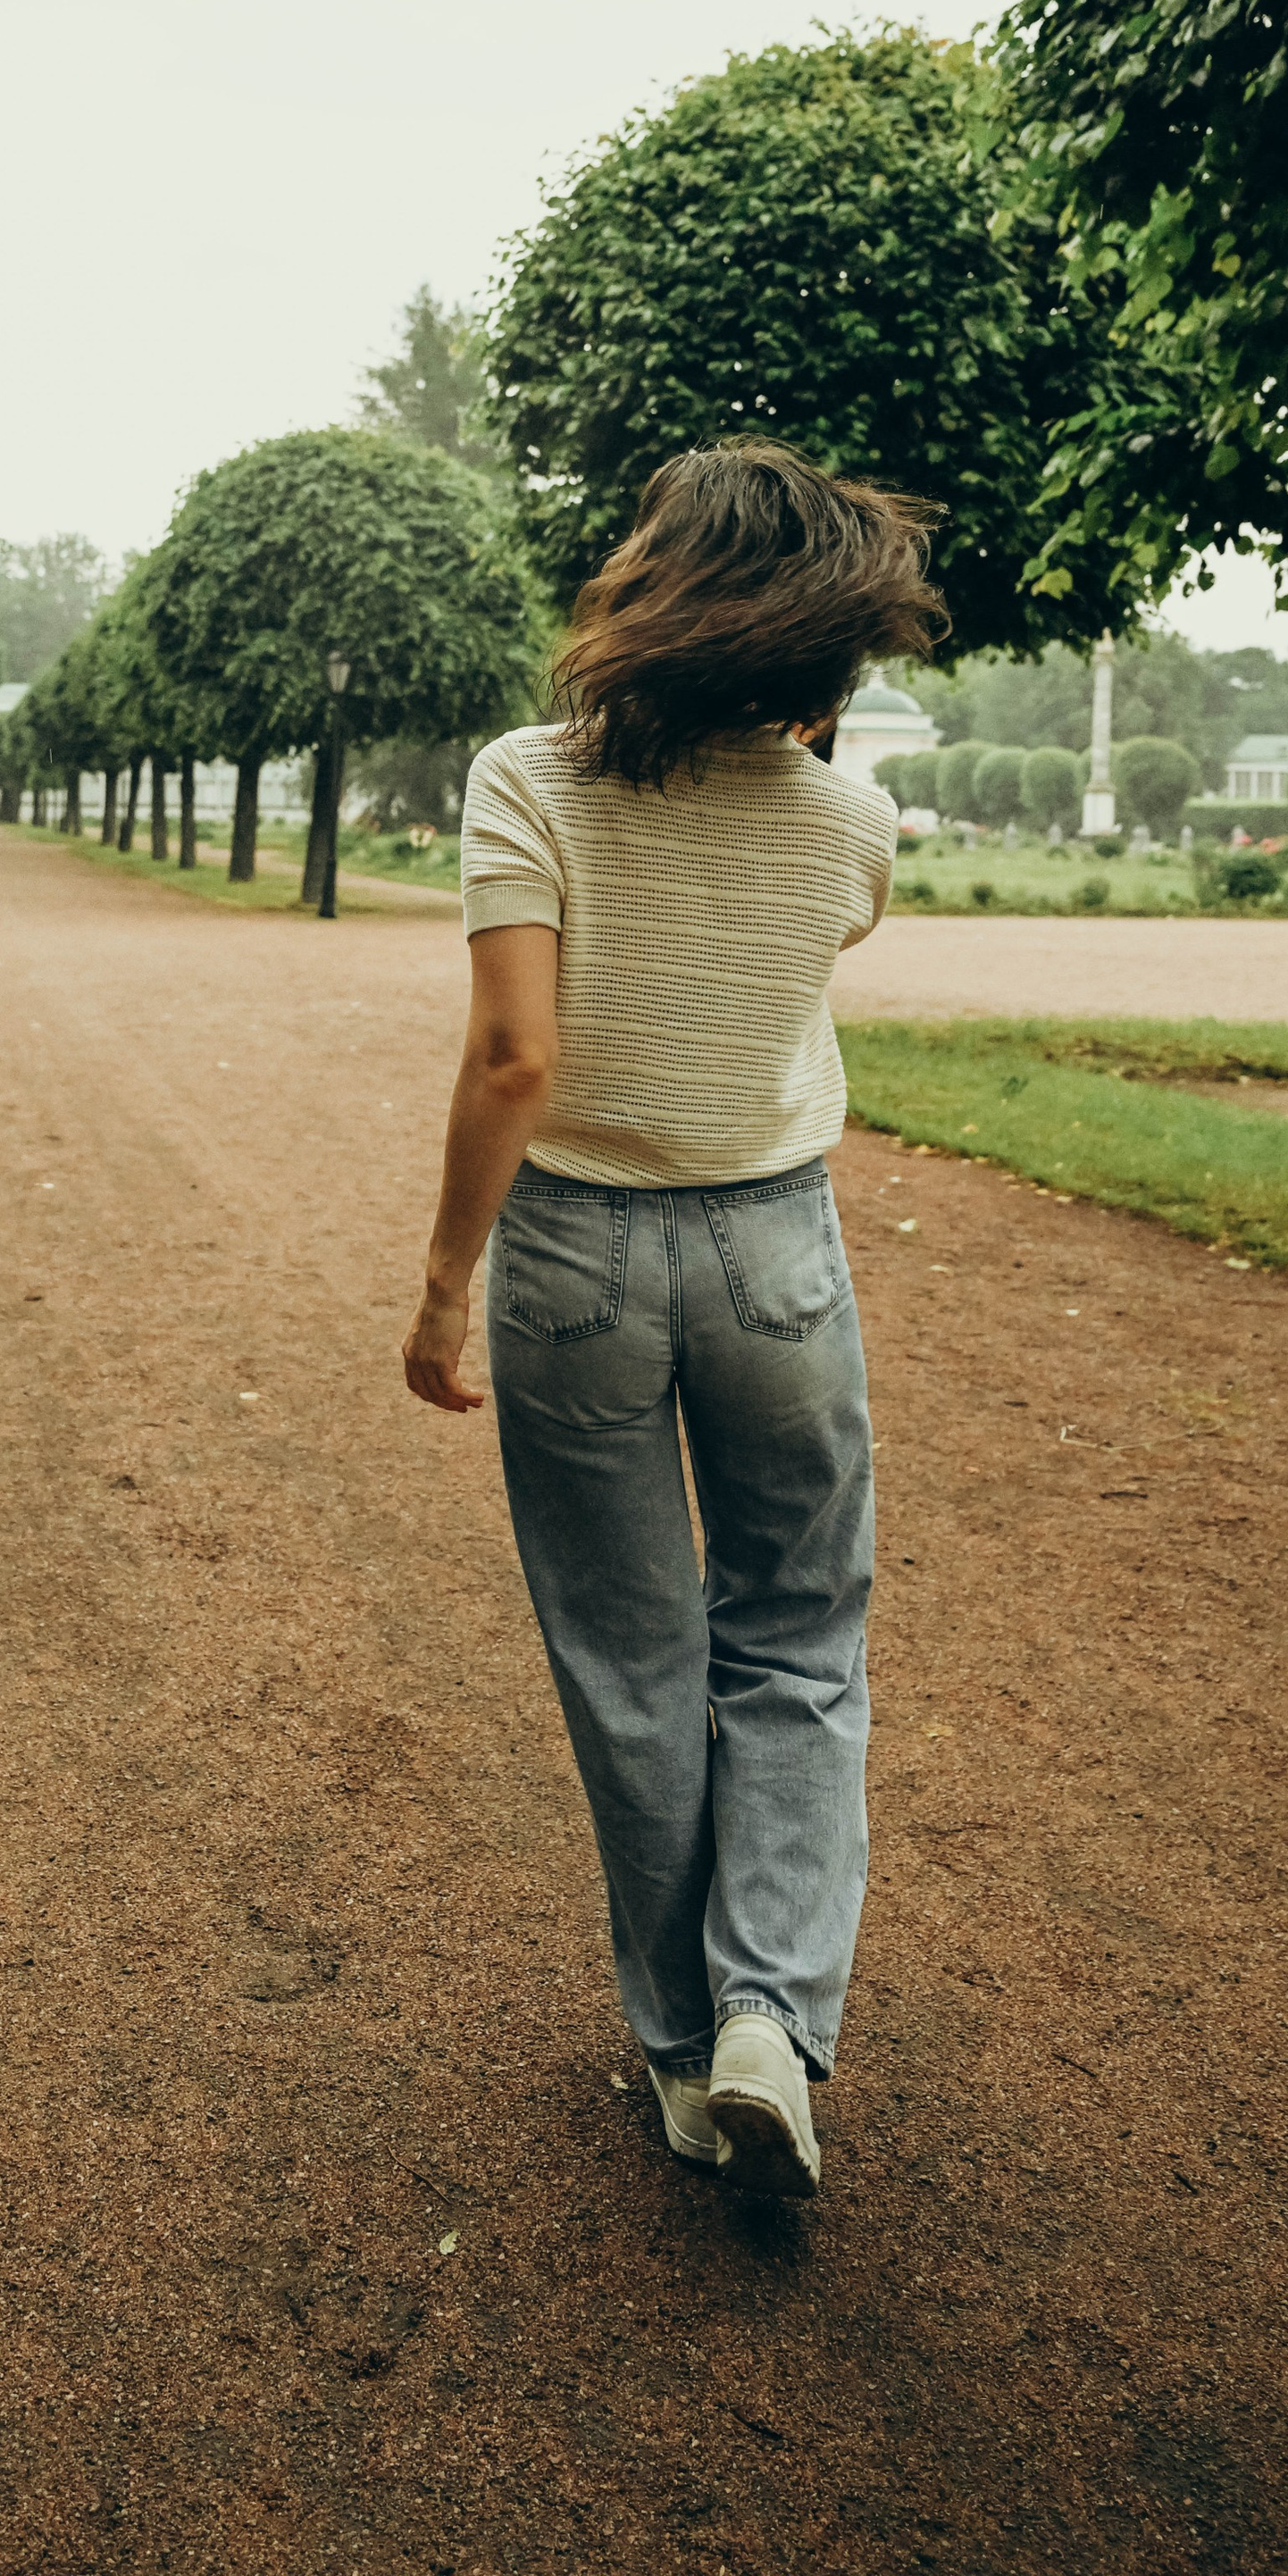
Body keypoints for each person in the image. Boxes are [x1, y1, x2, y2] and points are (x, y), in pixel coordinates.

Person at [401, 440, 943, 2197]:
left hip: (572, 1255)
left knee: (628, 1660)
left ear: (652, 587)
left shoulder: (523, 780)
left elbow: (517, 1059)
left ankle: (681, 2052)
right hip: (774, 1251)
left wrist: (443, 1285)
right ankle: (769, 2012)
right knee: (796, 1630)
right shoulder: (853, 826)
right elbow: (776, 960)